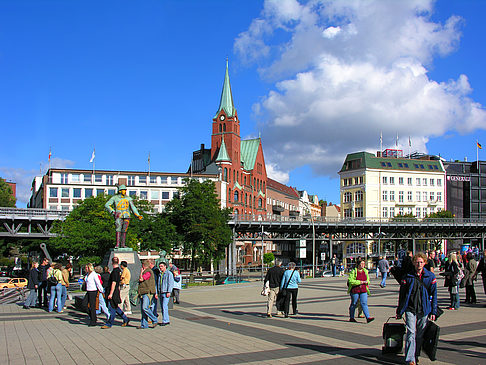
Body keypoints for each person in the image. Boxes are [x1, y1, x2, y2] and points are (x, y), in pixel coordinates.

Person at [396, 252, 437, 365]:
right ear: (413, 263)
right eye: (417, 262)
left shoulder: (430, 276)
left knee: (419, 334)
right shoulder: (408, 276)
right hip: (410, 308)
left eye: (421, 262)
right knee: (411, 333)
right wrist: (399, 310)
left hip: (424, 309)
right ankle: (410, 359)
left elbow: (434, 295)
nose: (419, 264)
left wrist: (433, 311)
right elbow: (402, 294)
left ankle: (416, 354)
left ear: (424, 263)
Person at [101, 257, 129, 329]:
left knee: (111, 308)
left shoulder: (114, 272)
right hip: (116, 291)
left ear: (112, 263)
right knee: (116, 307)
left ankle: (109, 323)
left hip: (113, 292)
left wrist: (110, 293)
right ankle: (125, 319)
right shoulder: (119, 271)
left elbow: (113, 283)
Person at [347, 258, 374, 323]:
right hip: (355, 290)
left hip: (363, 289)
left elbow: (368, 280)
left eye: (364, 264)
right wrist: (360, 282)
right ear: (358, 265)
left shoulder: (365, 271)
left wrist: (367, 282)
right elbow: (351, 281)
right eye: (361, 264)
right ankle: (351, 317)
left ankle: (368, 317)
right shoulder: (354, 271)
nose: (363, 265)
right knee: (354, 303)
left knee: (364, 303)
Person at [138, 259, 158, 329]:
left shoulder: (148, 272)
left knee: (145, 308)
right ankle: (144, 324)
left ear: (143, 265)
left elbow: (141, 279)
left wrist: (141, 272)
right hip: (143, 292)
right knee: (143, 310)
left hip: (147, 292)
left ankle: (154, 319)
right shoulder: (148, 271)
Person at [158, 262, 174, 326]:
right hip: (161, 291)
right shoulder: (160, 274)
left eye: (161, 266)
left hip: (166, 292)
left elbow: (170, 283)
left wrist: (169, 291)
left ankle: (165, 320)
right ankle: (166, 319)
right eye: (160, 266)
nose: (160, 267)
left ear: (165, 266)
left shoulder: (169, 273)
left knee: (164, 306)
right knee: (163, 306)